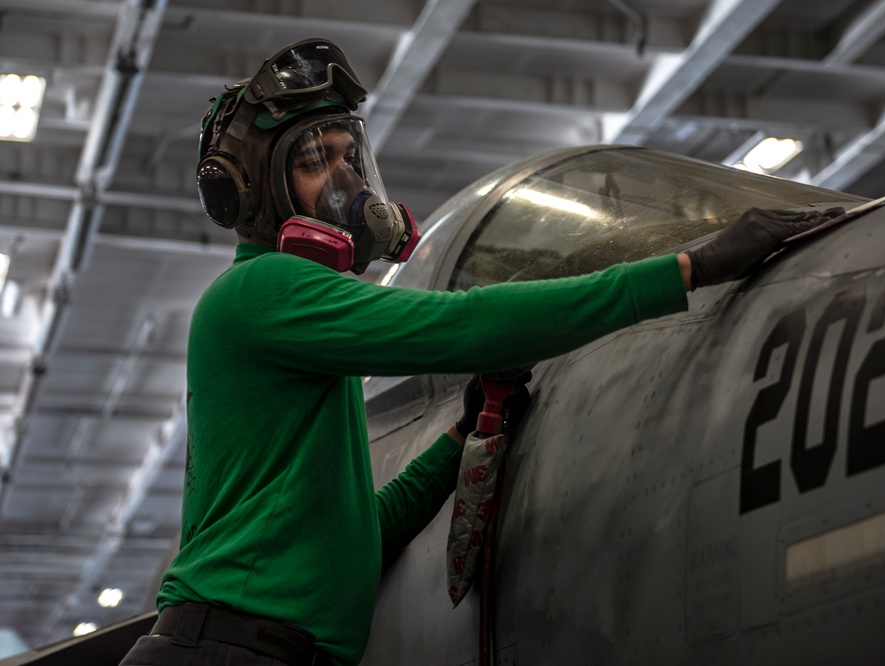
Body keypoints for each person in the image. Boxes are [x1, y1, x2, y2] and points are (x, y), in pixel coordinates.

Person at [119, 38, 842, 666]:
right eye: (313, 160)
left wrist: (462, 437)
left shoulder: (301, 332)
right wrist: (686, 270)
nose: (345, 182)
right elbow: (461, 325)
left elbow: (361, 539)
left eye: (348, 155)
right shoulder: (261, 292)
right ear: (250, 191)